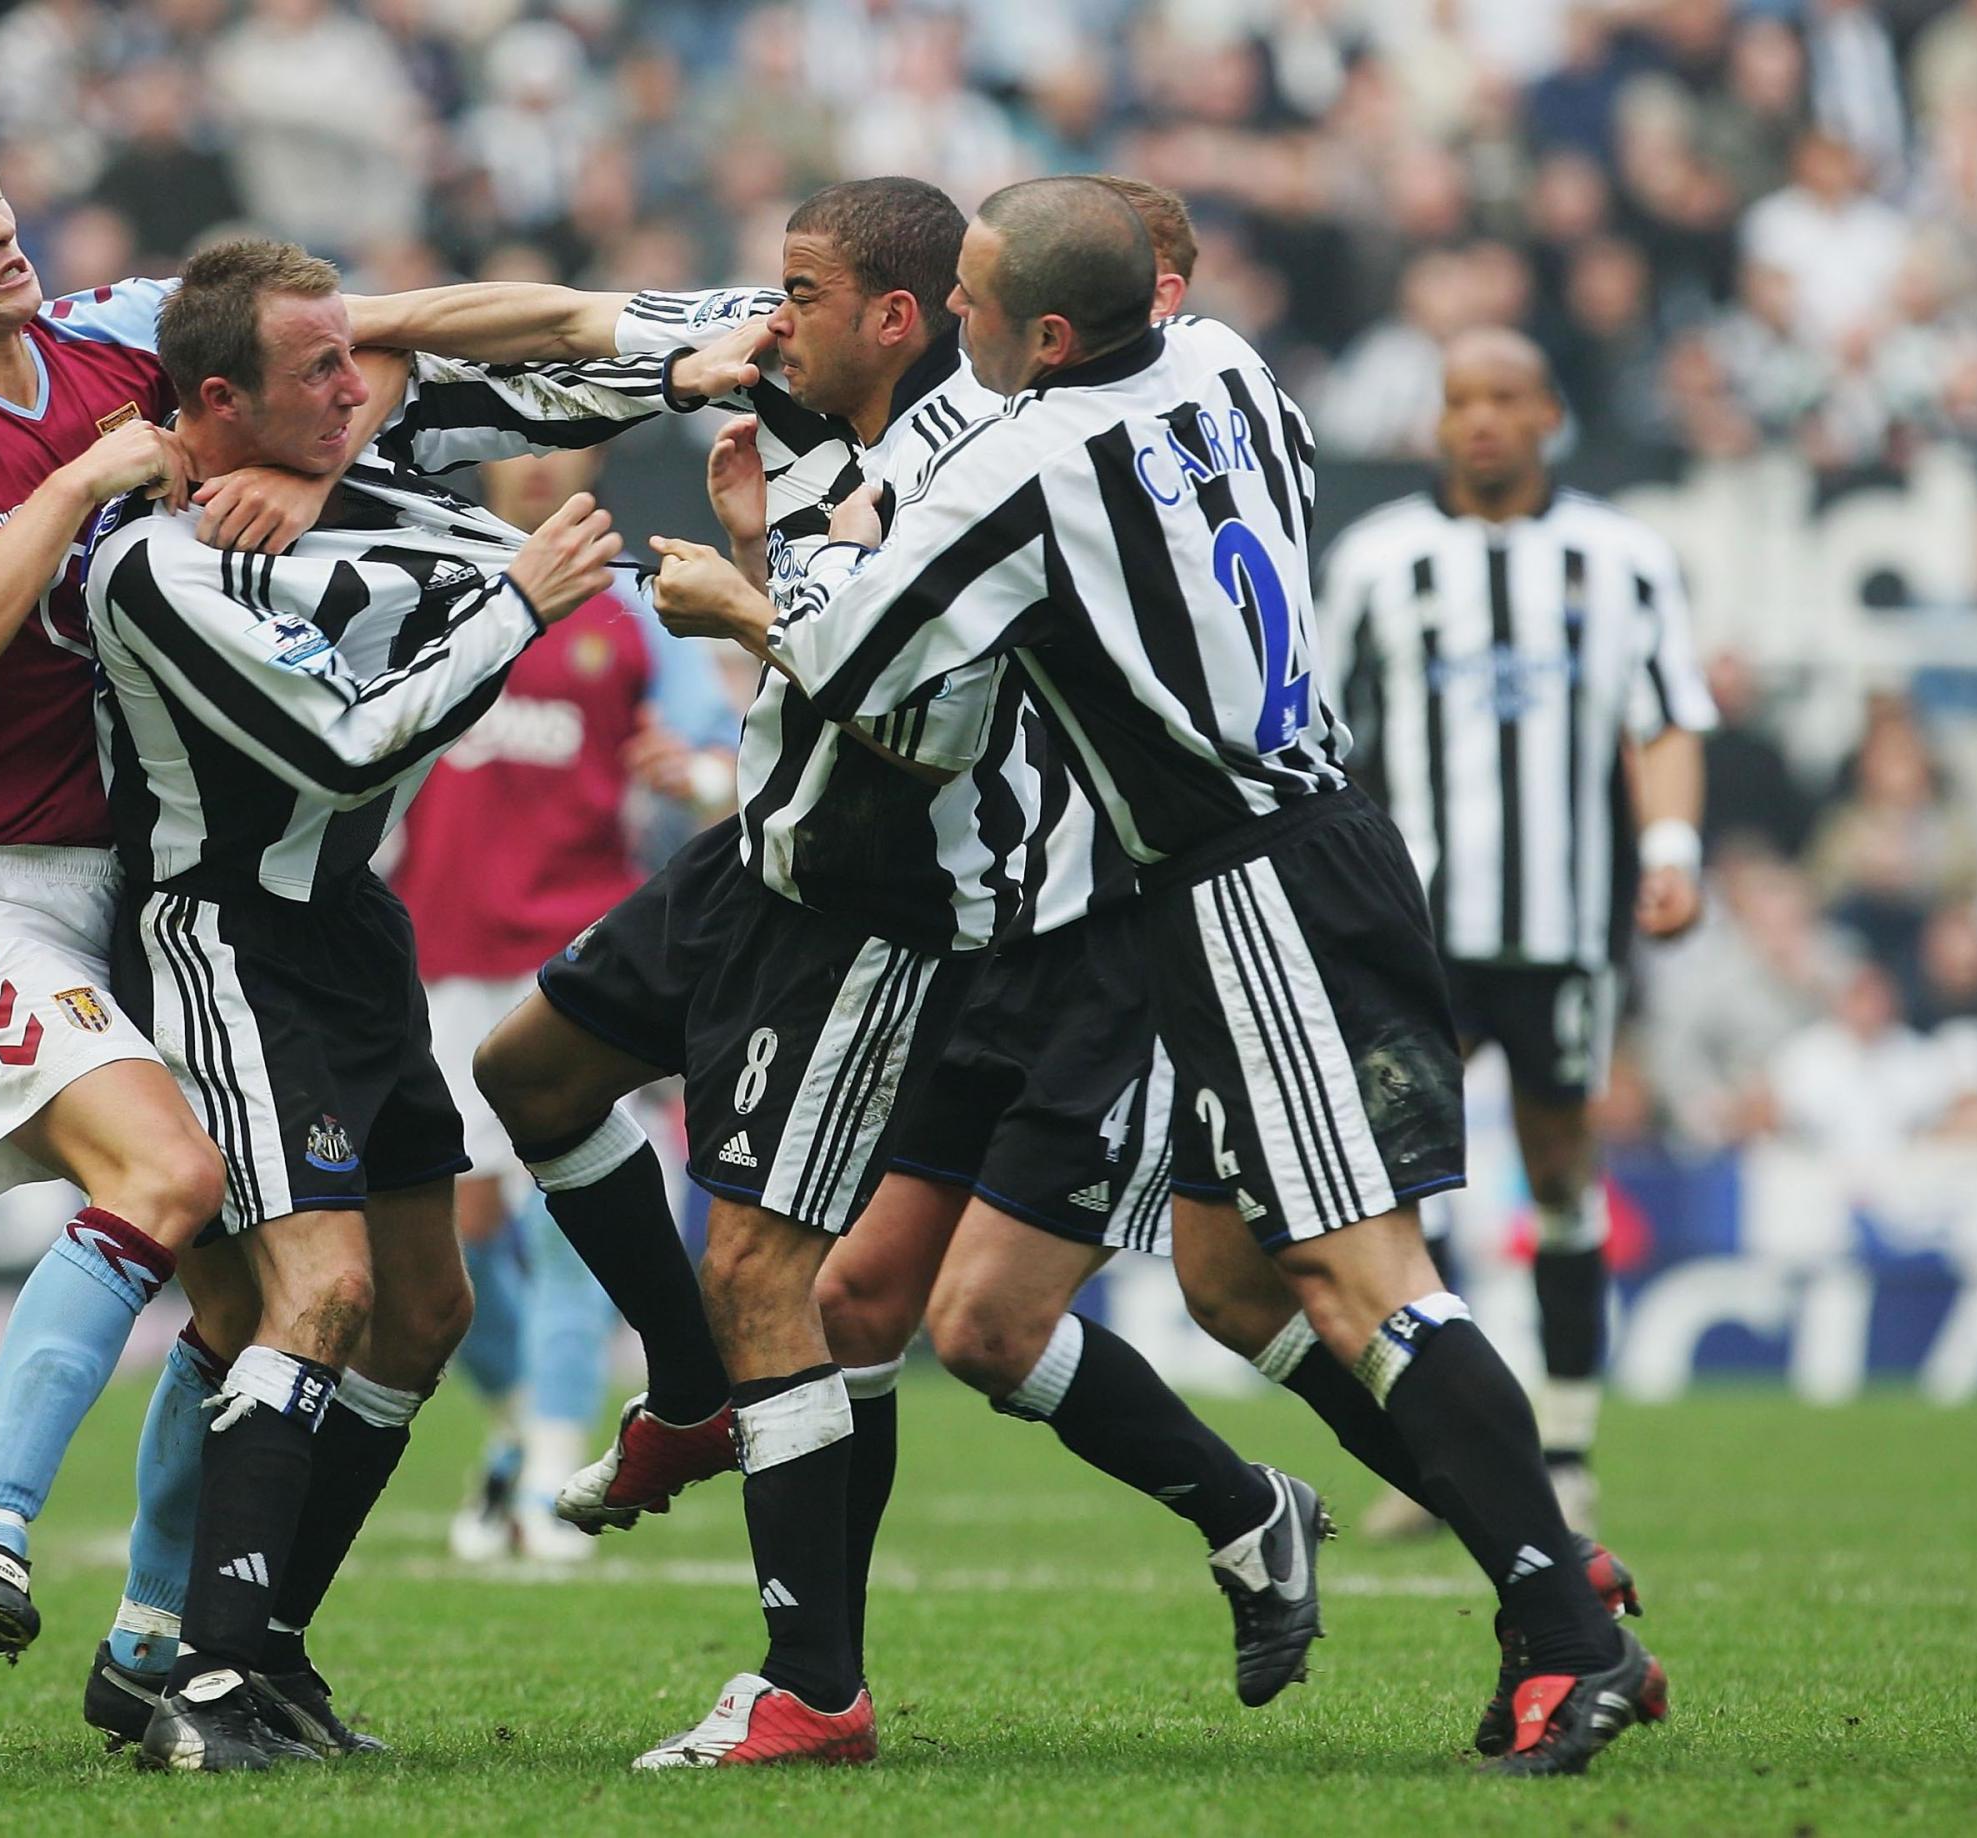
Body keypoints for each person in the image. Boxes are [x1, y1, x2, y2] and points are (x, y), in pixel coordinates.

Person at [654, 175, 1670, 1779]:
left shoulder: (1014, 463)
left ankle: (1565, 1623)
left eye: (976, 306)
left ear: (1047, 331)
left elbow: (856, 667)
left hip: (1242, 879)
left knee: (1362, 1276)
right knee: (1236, 1283)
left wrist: (743, 582)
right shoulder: (1230, 366)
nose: (957, 330)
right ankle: (1537, 1553)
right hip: (1286, 850)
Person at [346, 177, 1067, 1769]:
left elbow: (925, 724)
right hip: (760, 849)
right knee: (528, 1073)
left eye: (798, 292)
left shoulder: (975, 472)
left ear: (893, 318)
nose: (765, 314)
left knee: (765, 1270)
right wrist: (363, 321)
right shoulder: (780, 360)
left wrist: (741, 593)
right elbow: (559, 320)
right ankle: (686, 1381)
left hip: (879, 897)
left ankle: (811, 1686)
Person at [83, 238, 672, 1771]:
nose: (361, 393)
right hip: (229, 939)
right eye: (323, 373)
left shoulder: (336, 495)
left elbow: (490, 457)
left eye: (357, 361)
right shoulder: (155, 560)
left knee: (423, 1311)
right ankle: (194, 1682)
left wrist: (696, 360)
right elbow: (345, 746)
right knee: (324, 1295)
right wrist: (522, 601)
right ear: (218, 398)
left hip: (351, 931)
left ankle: (261, 1645)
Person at [0, 105, 342, 1667]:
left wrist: (665, 330)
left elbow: (360, 331)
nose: (1, 223)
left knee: (246, 1291)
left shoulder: (111, 330)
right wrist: (86, 480)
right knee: (170, 1182)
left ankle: (154, 1644)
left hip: (132, 895)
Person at [1320, 326, 1715, 1539]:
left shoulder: (1621, 556)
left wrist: (1668, 850)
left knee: (1557, 1166)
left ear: (1548, 411)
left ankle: (1566, 1441)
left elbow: (1663, 720)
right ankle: (1439, 1453)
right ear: (1434, 422)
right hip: (1414, 928)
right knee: (1400, 1181)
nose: (1479, 418)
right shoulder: (1379, 560)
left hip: (1559, 924)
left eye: (1503, 396)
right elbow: (1323, 741)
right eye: (1457, 400)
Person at [389, 443, 739, 1567]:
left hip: (574, 958)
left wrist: (685, 772)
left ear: (589, 453)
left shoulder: (629, 603)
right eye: (516, 445)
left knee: (569, 1224)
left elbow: (726, 762)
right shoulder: (431, 583)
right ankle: (510, 1431)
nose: (537, 465)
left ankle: (548, 1471)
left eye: (558, 443)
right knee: (452, 1244)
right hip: (440, 956)